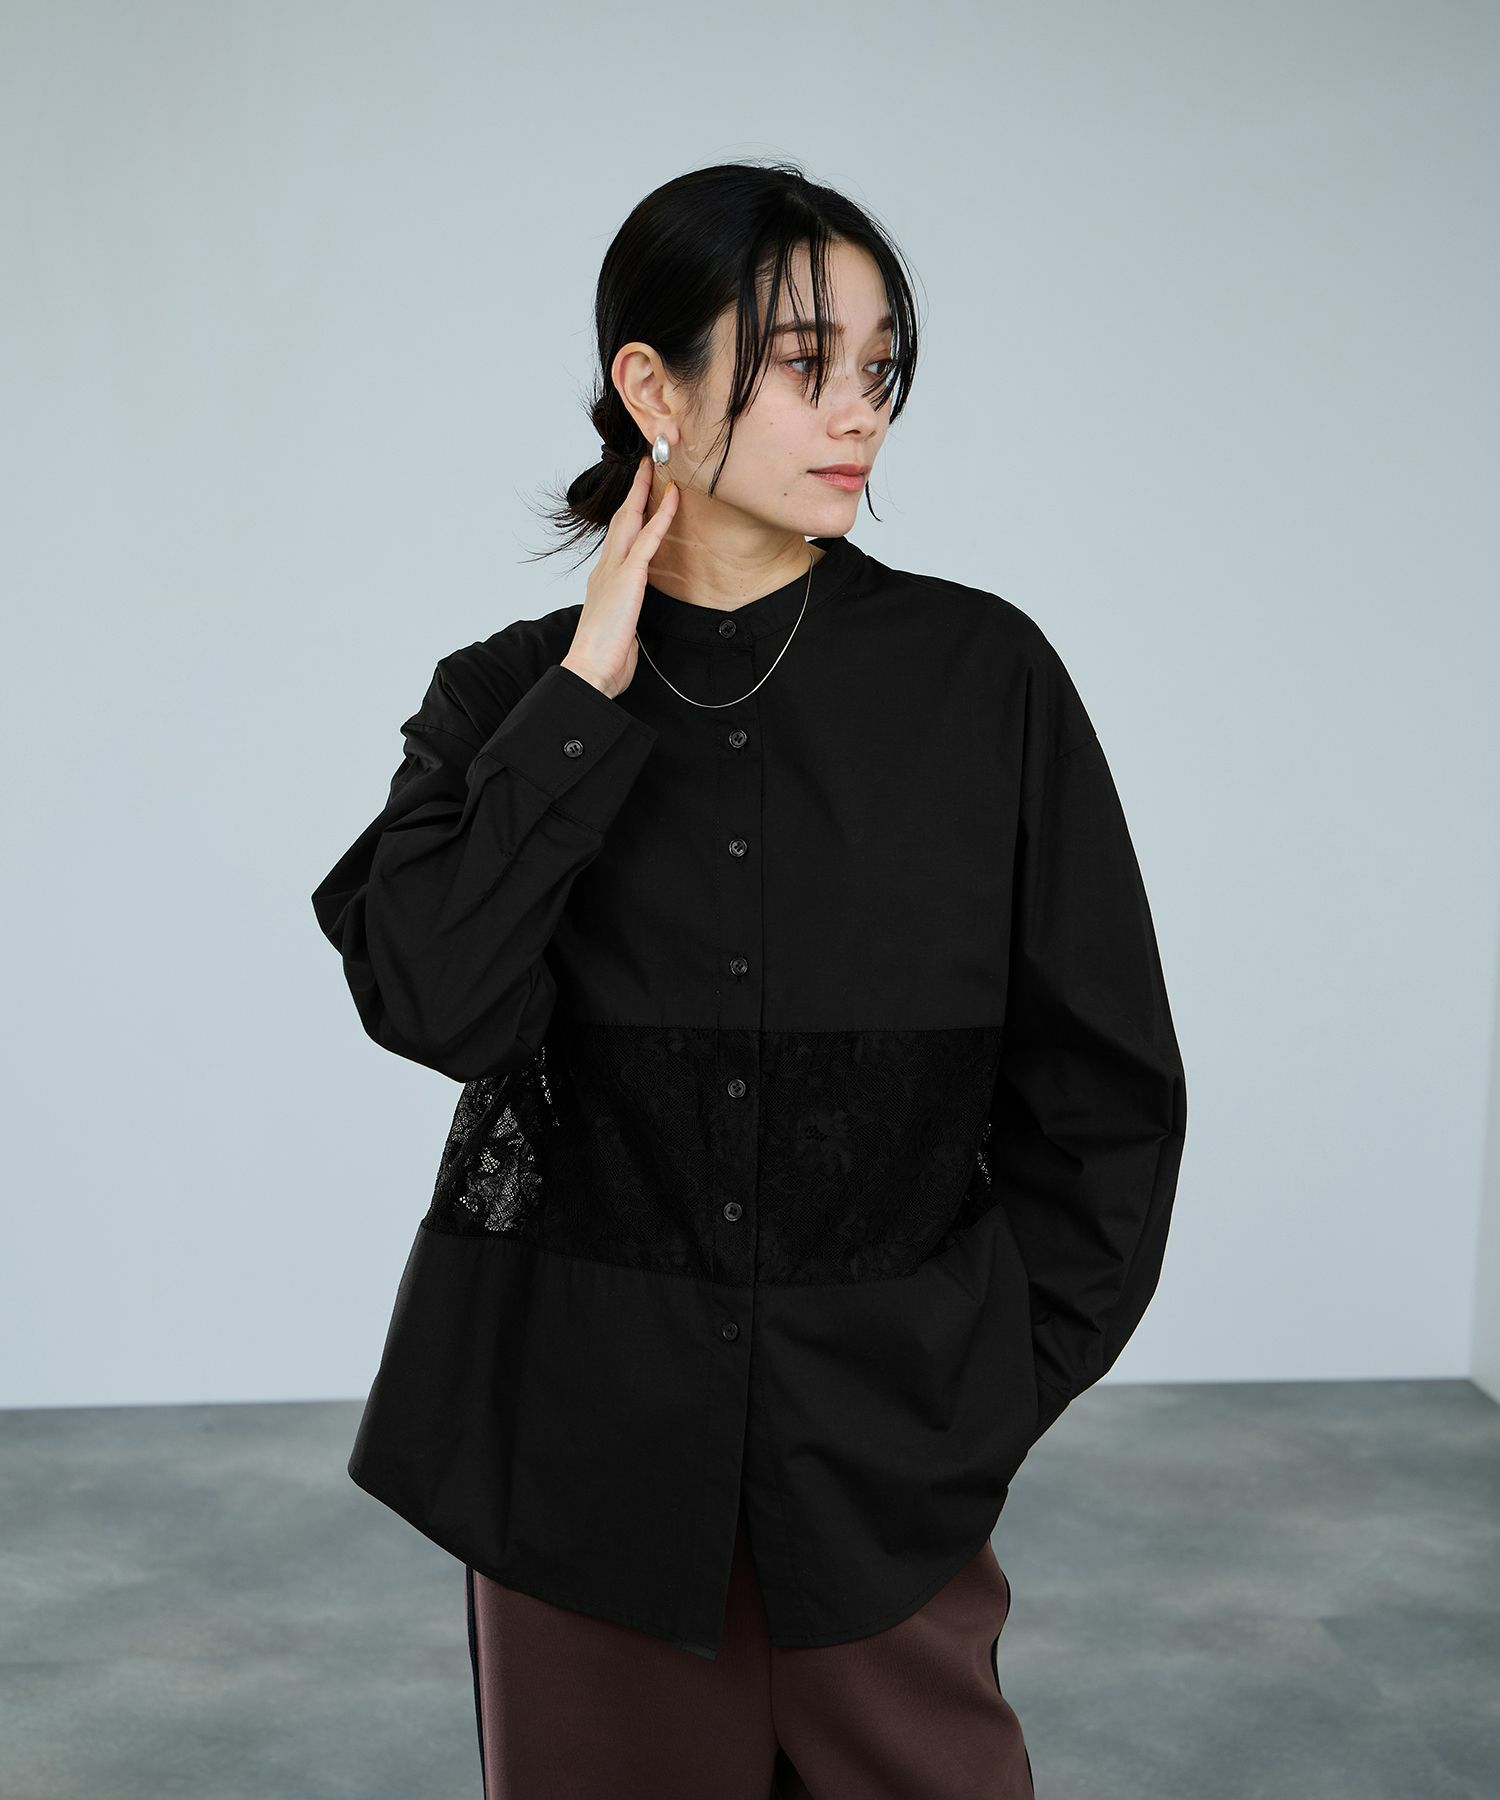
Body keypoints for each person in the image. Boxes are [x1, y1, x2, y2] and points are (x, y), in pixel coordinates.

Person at [311, 158, 1188, 1800]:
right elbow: (432, 997)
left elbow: (1109, 1096)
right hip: (576, 1483)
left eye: (879, 367)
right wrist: (587, 694)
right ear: (655, 388)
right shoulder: (506, 700)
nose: (859, 410)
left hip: (888, 1481)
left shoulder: (983, 679)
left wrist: (978, 1389)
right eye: (803, 362)